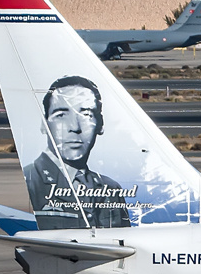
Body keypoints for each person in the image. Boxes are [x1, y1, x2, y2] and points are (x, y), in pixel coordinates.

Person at [24, 75, 132, 230]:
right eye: (61, 115)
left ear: (100, 125)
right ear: (44, 124)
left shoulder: (110, 188)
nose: (75, 127)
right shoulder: (30, 181)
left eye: (86, 114)